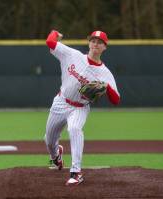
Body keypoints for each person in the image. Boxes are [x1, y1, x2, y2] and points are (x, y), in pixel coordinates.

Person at [44, 30, 120, 186]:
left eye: (100, 42)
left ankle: (76, 172)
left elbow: (116, 100)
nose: (96, 44)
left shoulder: (105, 74)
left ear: (105, 47)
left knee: (74, 129)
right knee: (49, 140)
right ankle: (56, 154)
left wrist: (106, 87)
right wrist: (55, 33)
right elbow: (50, 43)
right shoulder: (72, 55)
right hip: (61, 101)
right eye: (93, 41)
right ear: (89, 43)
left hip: (80, 107)